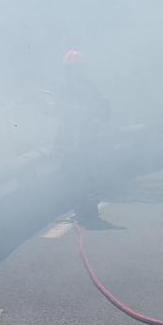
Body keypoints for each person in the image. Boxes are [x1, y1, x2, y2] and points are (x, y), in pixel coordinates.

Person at [55, 49, 110, 225]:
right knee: (72, 177)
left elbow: (103, 112)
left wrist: (89, 116)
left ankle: (89, 211)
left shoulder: (90, 89)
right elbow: (59, 114)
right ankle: (80, 209)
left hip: (85, 142)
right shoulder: (64, 89)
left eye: (76, 69)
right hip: (69, 142)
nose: (72, 73)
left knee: (87, 177)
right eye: (70, 69)